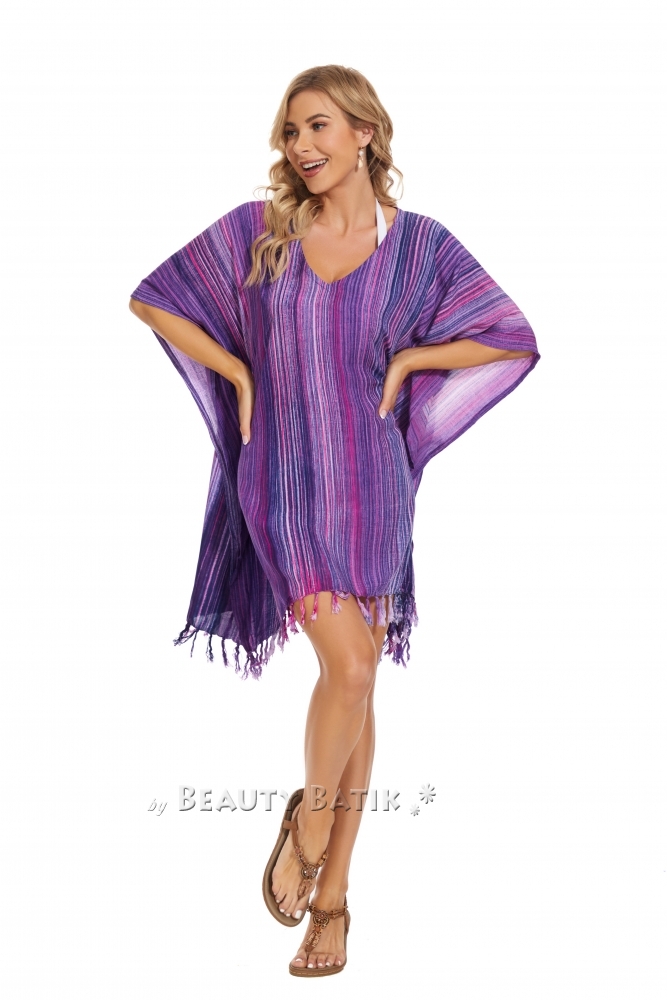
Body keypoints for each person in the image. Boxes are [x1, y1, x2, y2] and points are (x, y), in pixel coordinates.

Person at [129, 64, 539, 976]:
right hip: (280, 480)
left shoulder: (420, 247)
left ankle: (334, 905)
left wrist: (414, 362)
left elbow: (508, 335)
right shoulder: (261, 232)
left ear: (364, 132)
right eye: (290, 131)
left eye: (318, 125)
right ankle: (310, 828)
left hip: (374, 486)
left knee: (358, 689)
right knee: (348, 668)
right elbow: (153, 296)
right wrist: (238, 373)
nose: (300, 145)